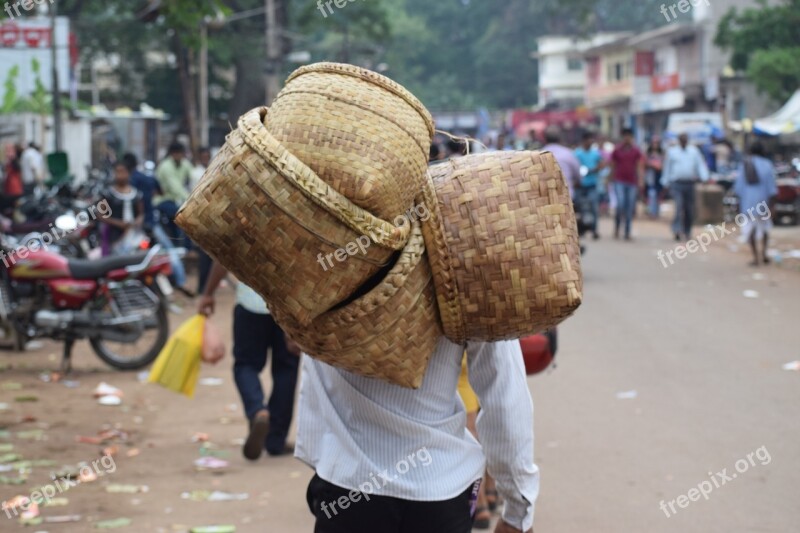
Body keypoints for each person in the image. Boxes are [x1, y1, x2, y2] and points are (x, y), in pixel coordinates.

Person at [298, 338, 538, 533]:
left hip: (349, 488)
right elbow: (505, 396)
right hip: (439, 489)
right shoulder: (472, 279)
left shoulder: (319, 279)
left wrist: (323, 463)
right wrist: (518, 510)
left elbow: (313, 382)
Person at [198, 264, 300, 460]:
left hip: (250, 305)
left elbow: (221, 257)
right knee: (286, 369)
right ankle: (275, 440)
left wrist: (208, 293)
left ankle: (257, 410)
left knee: (245, 365)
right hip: (287, 305)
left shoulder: (244, 230)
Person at [734, 142, 777, 266]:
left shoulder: (745, 164)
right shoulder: (768, 165)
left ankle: (755, 257)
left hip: (748, 203)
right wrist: (772, 206)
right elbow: (772, 189)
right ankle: (764, 254)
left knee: (750, 231)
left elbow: (738, 187)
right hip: (764, 204)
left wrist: (738, 205)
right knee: (764, 229)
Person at [662, 133, 709, 241]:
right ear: (679, 140)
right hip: (676, 183)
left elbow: (700, 165)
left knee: (689, 208)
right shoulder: (672, 152)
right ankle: (677, 230)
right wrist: (665, 182)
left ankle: (687, 231)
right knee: (678, 207)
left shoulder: (694, 151)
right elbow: (667, 167)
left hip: (689, 184)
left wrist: (704, 177)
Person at [101, 161, 144, 255]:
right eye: (117, 172)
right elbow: (100, 215)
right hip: (115, 234)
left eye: (122, 172)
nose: (120, 175)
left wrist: (137, 221)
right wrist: (118, 223)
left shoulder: (136, 194)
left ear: (128, 173)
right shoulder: (109, 194)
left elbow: (141, 214)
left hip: (133, 233)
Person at [155, 142, 194, 240]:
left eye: (180, 153)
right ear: (171, 153)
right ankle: (184, 245)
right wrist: (190, 199)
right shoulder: (165, 166)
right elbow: (175, 188)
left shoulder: (184, 163)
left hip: (177, 199)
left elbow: (194, 176)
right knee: (182, 216)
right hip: (163, 199)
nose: (178, 155)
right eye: (176, 153)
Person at [610, 128, 643, 240]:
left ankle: (627, 231)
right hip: (619, 180)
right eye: (625, 136)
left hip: (631, 182)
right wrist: (610, 179)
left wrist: (640, 180)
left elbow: (639, 166)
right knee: (620, 204)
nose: (627, 138)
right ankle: (617, 227)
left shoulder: (636, 150)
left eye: (629, 136)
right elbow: (613, 165)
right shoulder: (617, 150)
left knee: (629, 207)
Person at [574, 131, 604, 239]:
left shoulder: (596, 153)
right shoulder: (577, 153)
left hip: (592, 184)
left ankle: (594, 230)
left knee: (594, 208)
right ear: (584, 140)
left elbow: (602, 163)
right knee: (580, 209)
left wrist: (595, 169)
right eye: (589, 139)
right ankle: (581, 229)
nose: (590, 141)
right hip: (580, 185)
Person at [542, 127, 580, 199]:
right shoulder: (568, 153)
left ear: (545, 139)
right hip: (566, 198)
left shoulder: (539, 154)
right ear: (560, 138)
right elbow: (577, 175)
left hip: (546, 200)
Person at [644, 136, 664, 219]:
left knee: (658, 195)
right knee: (651, 194)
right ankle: (652, 212)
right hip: (650, 177)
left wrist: (656, 165)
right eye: (653, 143)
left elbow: (662, 166)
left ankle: (656, 211)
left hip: (659, 177)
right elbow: (644, 163)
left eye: (657, 143)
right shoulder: (648, 153)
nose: (655, 144)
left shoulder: (662, 154)